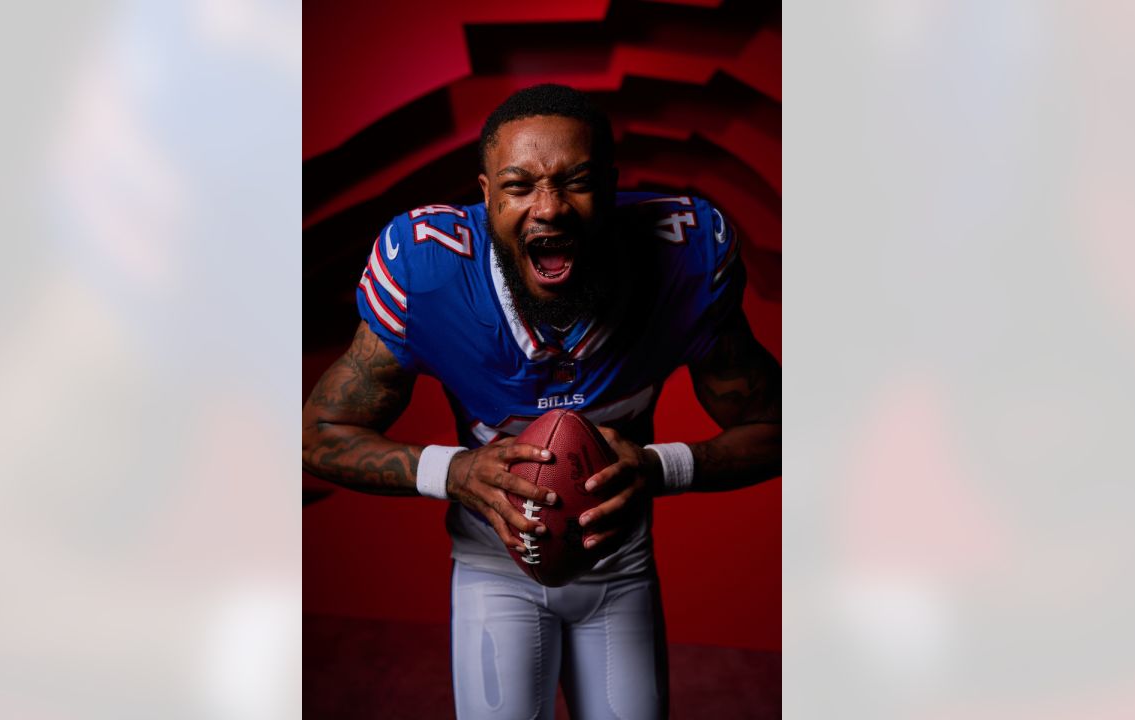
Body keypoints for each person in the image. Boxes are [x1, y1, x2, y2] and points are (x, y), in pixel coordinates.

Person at [303, 84, 780, 719]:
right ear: (486, 193)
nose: (548, 209)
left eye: (575, 181)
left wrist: (661, 466)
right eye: (520, 185)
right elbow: (318, 434)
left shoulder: (681, 254)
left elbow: (775, 426)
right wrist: (454, 471)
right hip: (491, 563)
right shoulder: (430, 270)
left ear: (609, 186)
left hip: (620, 563)